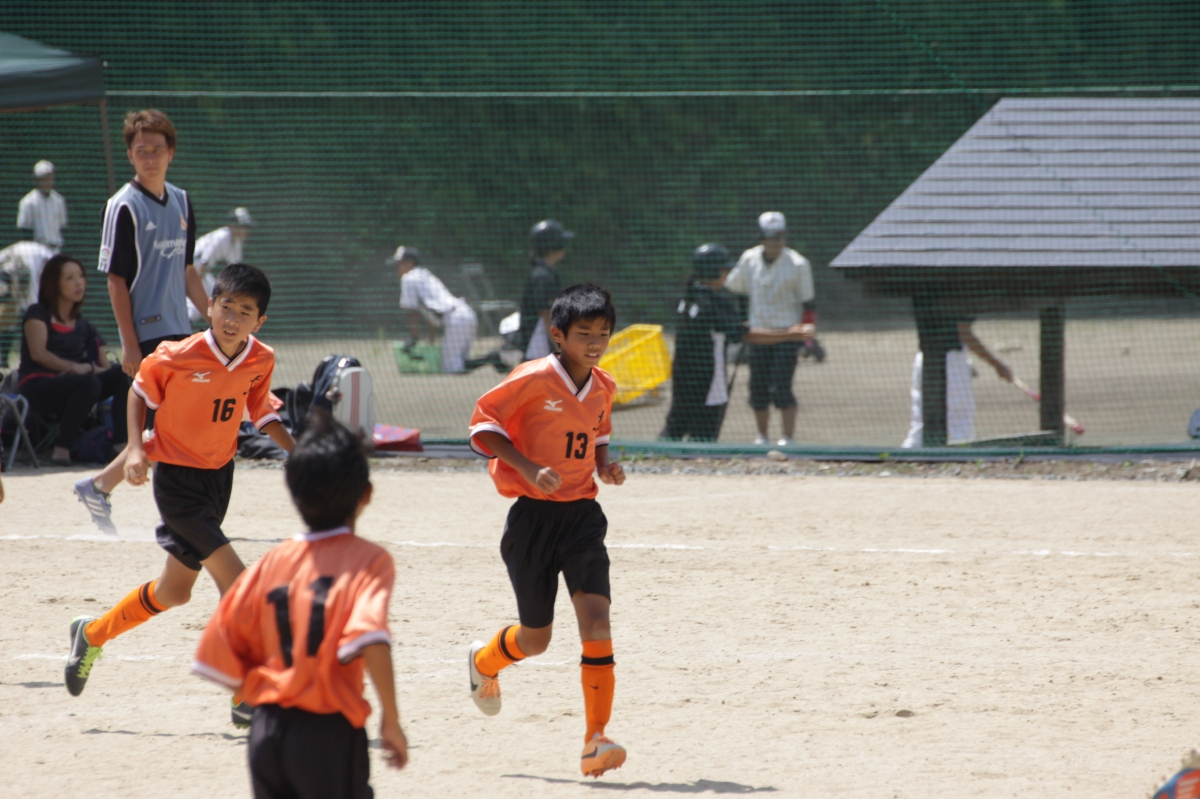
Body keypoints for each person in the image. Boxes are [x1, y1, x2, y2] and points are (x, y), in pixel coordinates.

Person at [63, 263, 295, 730]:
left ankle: (91, 634)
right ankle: (245, 693)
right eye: (226, 306)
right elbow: (139, 393)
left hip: (219, 479)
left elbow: (260, 408)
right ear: (209, 306)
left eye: (245, 311)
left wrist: (299, 452)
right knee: (239, 584)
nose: (232, 318)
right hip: (177, 484)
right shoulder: (177, 354)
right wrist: (135, 449)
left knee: (175, 592)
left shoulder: (260, 358)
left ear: (259, 321)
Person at [193, 414, 408, 796]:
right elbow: (371, 637)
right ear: (366, 495)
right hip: (328, 731)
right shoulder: (368, 560)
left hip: (266, 731)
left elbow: (218, 648)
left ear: (294, 493)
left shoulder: (271, 561)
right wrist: (391, 719)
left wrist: (264, 693)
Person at [467, 284, 628, 779]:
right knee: (536, 640)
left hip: (582, 518)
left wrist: (605, 466)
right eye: (584, 334)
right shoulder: (532, 377)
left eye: (603, 333)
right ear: (558, 335)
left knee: (596, 623)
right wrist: (528, 467)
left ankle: (595, 740)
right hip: (533, 521)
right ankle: (485, 662)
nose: (595, 343)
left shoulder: (604, 385)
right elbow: (482, 427)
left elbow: (598, 432)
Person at [74, 110, 211, 530]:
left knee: (173, 423)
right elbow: (115, 280)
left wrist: (212, 313)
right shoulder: (122, 206)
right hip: (147, 331)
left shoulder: (182, 200)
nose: (150, 157)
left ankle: (100, 486)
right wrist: (129, 342)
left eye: (157, 149)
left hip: (179, 329)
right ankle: (173, 507)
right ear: (130, 155)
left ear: (171, 153)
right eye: (141, 150)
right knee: (172, 423)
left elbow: (187, 269)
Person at [17, 254, 128, 466]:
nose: (79, 283)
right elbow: (38, 353)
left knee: (124, 374)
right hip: (39, 383)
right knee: (89, 383)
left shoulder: (85, 326)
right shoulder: (37, 313)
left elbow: (104, 368)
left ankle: (120, 445)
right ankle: (62, 449)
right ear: (54, 283)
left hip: (81, 383)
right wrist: (76, 368)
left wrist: (89, 368)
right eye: (70, 278)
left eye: (81, 276)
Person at [725, 211, 817, 447]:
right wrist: (742, 320)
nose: (776, 242)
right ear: (761, 238)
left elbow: (808, 303)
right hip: (759, 335)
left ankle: (787, 438)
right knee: (757, 388)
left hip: (789, 335)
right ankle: (762, 437)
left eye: (780, 236)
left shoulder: (798, 263)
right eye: (770, 237)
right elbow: (735, 287)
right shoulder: (749, 259)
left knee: (781, 386)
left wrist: (808, 340)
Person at [660, 244, 745, 442]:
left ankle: (653, 456)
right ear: (714, 270)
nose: (727, 274)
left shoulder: (688, 297)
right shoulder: (713, 302)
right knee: (703, 434)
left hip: (683, 375)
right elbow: (741, 334)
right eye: (724, 269)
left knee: (675, 426)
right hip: (708, 377)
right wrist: (790, 334)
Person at [901, 319, 1013, 448]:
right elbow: (963, 331)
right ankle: (961, 456)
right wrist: (997, 365)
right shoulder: (958, 305)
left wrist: (965, 363)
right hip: (951, 362)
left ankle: (905, 456)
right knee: (960, 424)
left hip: (924, 360)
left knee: (923, 421)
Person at [393, 245, 478, 373]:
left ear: (409, 263)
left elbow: (412, 311)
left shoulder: (408, 278)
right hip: (467, 314)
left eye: (399, 264)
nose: (397, 268)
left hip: (456, 320)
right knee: (460, 363)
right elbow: (431, 313)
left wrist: (413, 338)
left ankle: (492, 358)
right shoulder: (426, 275)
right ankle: (489, 359)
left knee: (451, 368)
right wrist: (431, 340)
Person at [511, 219, 573, 364]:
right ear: (553, 245)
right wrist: (561, 350)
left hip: (539, 347)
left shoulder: (545, 272)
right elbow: (547, 316)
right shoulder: (543, 276)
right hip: (536, 348)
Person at [188, 207, 255, 322]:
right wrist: (193, 287)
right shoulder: (222, 237)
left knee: (217, 297)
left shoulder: (236, 242)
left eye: (247, 227)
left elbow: (236, 270)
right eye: (243, 226)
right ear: (233, 226)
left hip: (200, 270)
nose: (246, 230)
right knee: (196, 306)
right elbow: (203, 263)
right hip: (191, 267)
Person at [0, 240, 55, 366]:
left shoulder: (43, 258)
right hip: (18, 273)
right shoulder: (14, 254)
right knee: (10, 317)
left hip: (32, 273)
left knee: (35, 314)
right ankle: (4, 359)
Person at [17, 160, 67, 252]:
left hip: (56, 249)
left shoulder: (59, 201)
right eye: (44, 179)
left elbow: (62, 228)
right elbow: (24, 231)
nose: (47, 182)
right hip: (37, 250)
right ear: (37, 180)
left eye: (49, 178)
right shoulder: (28, 202)